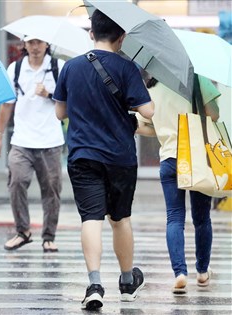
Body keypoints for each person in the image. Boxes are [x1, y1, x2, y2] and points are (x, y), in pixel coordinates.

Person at [53, 10, 154, 310]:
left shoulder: (70, 68)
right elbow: (147, 112)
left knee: (91, 219)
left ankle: (95, 284)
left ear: (91, 33)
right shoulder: (126, 68)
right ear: (122, 37)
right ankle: (126, 280)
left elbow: (60, 113)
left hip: (83, 154)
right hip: (120, 157)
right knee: (120, 219)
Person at [136, 75, 220, 294]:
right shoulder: (197, 80)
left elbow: (146, 126)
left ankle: (179, 273)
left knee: (174, 217)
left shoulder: (152, 87)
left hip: (170, 158)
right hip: (197, 158)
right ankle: (202, 271)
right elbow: (214, 114)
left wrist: (166, 128)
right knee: (202, 218)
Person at [0, 36, 65, 253]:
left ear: (47, 44)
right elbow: (7, 105)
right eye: (30, 42)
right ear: (24, 45)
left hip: (50, 141)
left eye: (39, 42)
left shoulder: (58, 67)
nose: (35, 47)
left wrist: (49, 94)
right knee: (17, 181)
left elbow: (69, 100)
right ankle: (23, 231)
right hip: (22, 140)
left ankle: (49, 236)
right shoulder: (15, 68)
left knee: (51, 189)